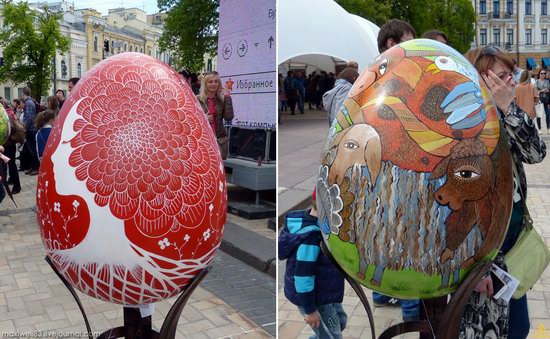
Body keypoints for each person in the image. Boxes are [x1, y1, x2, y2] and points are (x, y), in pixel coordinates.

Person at [470, 45, 546, 338]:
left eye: (511, 74)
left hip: (510, 253)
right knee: (489, 331)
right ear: (482, 81)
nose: (512, 81)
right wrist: (474, 267)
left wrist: (510, 108)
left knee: (519, 328)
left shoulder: (504, 118)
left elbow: (536, 153)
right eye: (503, 76)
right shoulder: (467, 128)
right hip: (484, 259)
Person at [373, 18, 420, 320]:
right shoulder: (392, 77)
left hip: (391, 175)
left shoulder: (375, 75)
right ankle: (413, 314)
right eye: (408, 40)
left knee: (396, 242)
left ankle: (400, 301)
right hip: (399, 174)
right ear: (392, 43)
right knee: (409, 245)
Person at [279, 190, 347, 338]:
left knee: (340, 321)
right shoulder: (311, 238)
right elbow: (303, 278)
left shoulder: (319, 225)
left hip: (323, 293)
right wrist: (310, 311)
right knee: (332, 335)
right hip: (313, 299)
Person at [196, 72, 234, 160]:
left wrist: (227, 97)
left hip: (219, 141)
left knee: (217, 167)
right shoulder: (197, 99)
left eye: (216, 81)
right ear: (205, 84)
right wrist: (203, 119)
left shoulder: (222, 99)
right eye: (210, 82)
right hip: (203, 141)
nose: (214, 84)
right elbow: (190, 120)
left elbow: (229, 117)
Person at [1, 99, 20, 194]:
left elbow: (11, 129)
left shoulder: (6, 116)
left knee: (11, 165)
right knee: (9, 165)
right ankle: (12, 182)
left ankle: (16, 186)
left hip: (8, 144)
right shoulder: (9, 113)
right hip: (9, 144)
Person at [21, 87, 39, 175]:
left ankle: (36, 167)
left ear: (23, 93)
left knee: (33, 149)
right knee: (31, 150)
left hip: (31, 130)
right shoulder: (29, 102)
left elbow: (29, 117)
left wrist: (24, 129)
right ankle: (33, 167)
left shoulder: (28, 102)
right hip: (31, 129)